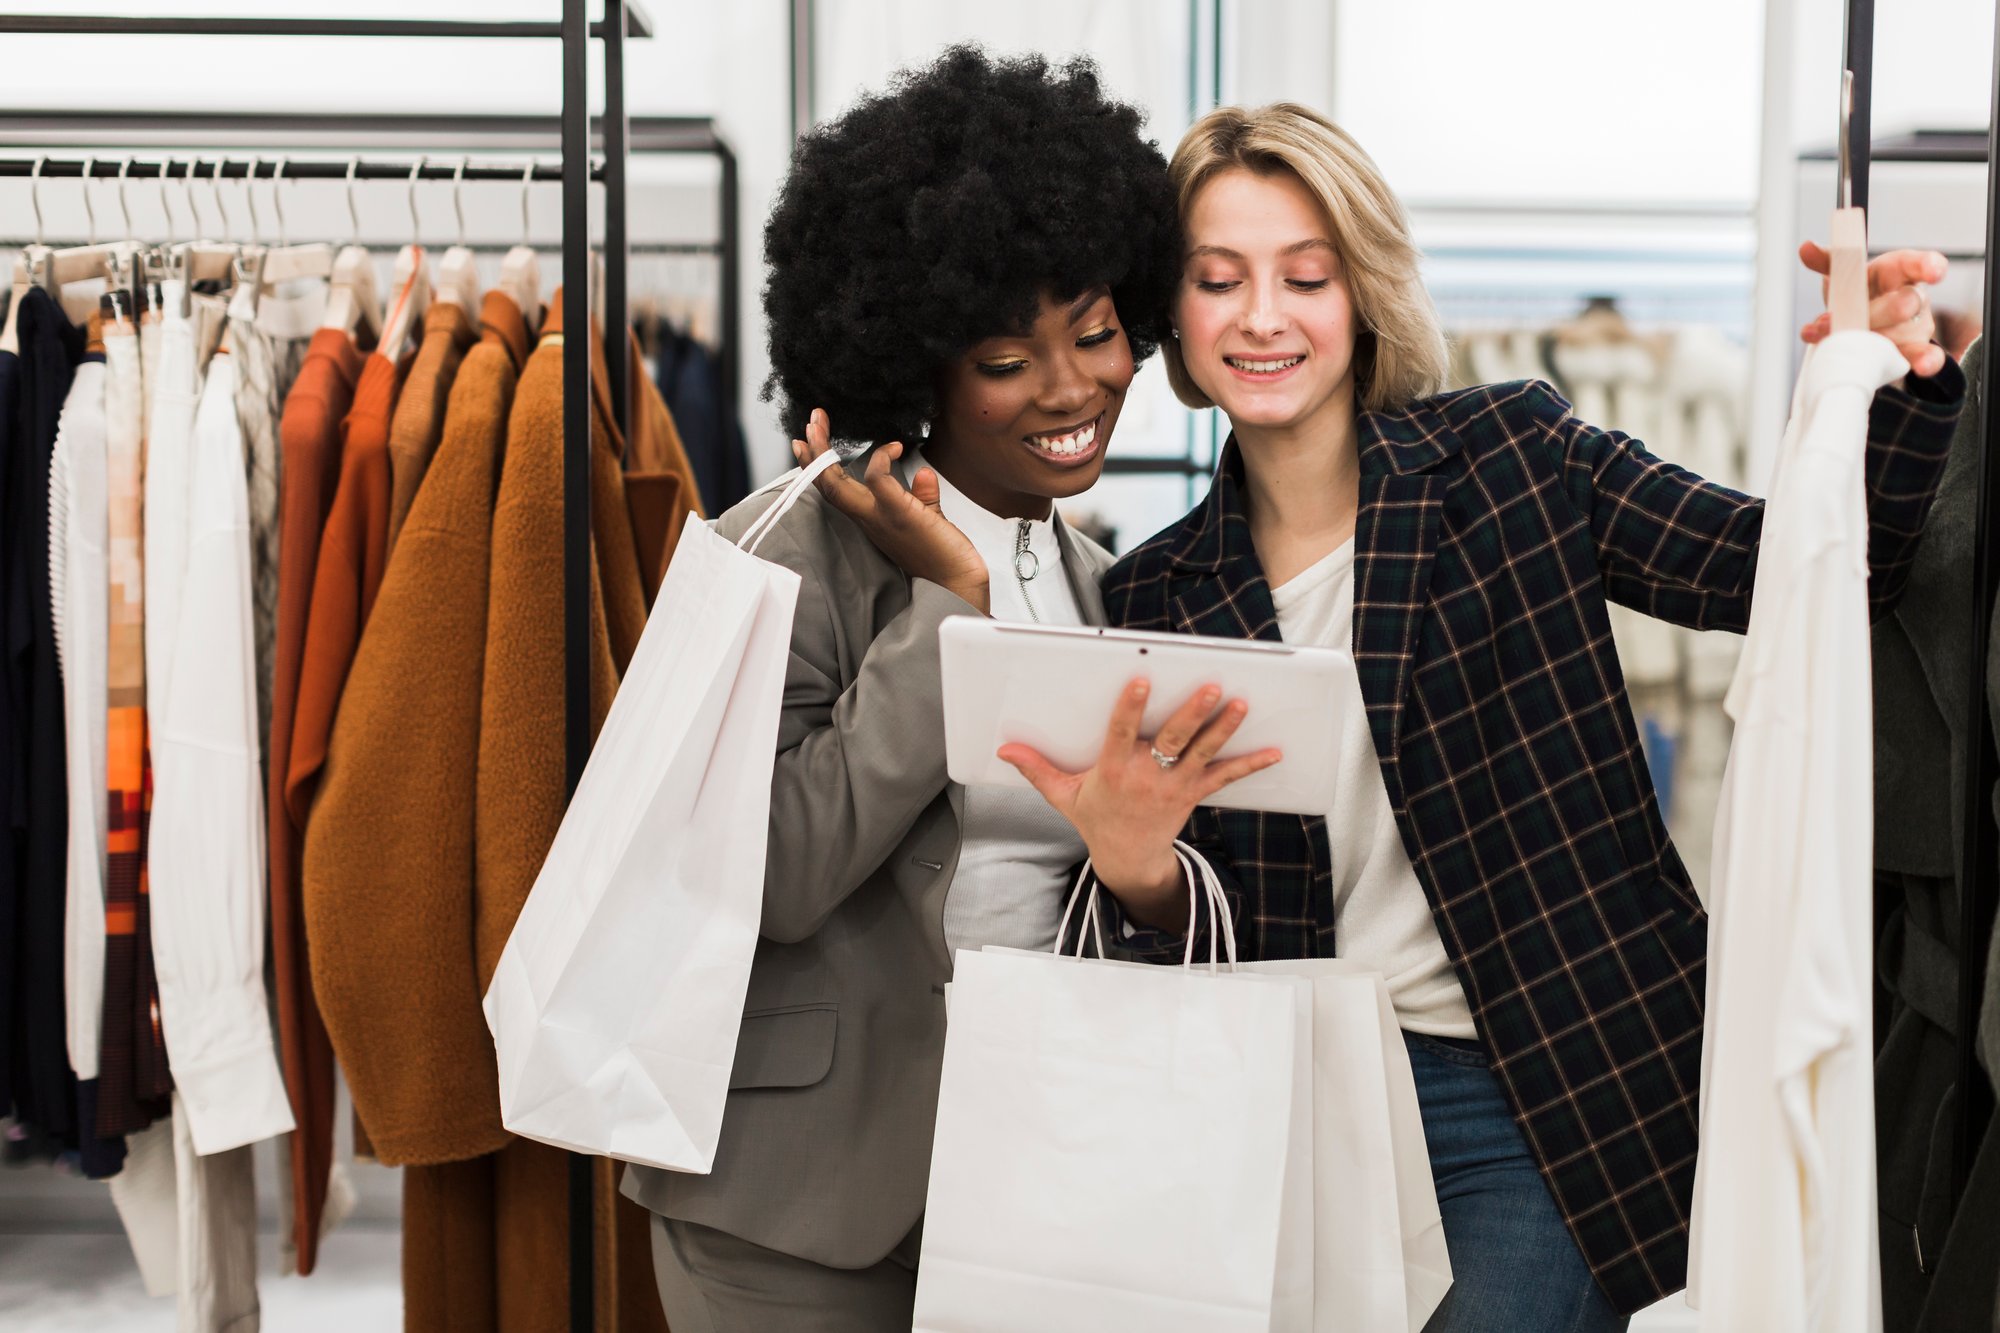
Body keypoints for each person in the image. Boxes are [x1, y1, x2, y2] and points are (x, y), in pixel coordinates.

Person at [820, 101, 1964, 1331]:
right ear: (1174, 322)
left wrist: (1883, 381)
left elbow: (1801, 567)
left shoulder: (1511, 461)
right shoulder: (1153, 591)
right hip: (1292, 1109)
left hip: (1535, 1090)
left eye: (1302, 276)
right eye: (1218, 281)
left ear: (1358, 292)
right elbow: (1180, 956)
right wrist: (1135, 862)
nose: (1262, 315)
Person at [619, 47, 1233, 1333]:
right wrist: (943, 605)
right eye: (1008, 358)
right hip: (795, 1212)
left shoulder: (1096, 579)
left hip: (1029, 1194)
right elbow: (777, 870)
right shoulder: (771, 553)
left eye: (1096, 331)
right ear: (919, 368)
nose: (1072, 390)